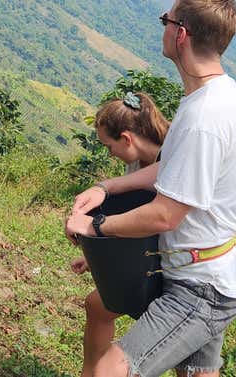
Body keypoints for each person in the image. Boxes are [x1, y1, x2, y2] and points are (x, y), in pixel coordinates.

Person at [66, 0, 236, 377]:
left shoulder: (205, 118)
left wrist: (96, 228)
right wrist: (106, 187)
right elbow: (173, 169)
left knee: (111, 371)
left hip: (200, 285)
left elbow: (165, 215)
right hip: (209, 264)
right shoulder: (216, 95)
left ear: (180, 33)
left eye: (166, 20)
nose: (163, 27)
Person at [70, 92, 169, 377]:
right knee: (96, 306)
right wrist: (96, 257)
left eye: (109, 146)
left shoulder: (175, 163)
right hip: (148, 258)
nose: (109, 153)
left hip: (172, 267)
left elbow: (154, 220)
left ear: (126, 138)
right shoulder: (136, 165)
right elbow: (131, 218)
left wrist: (94, 230)